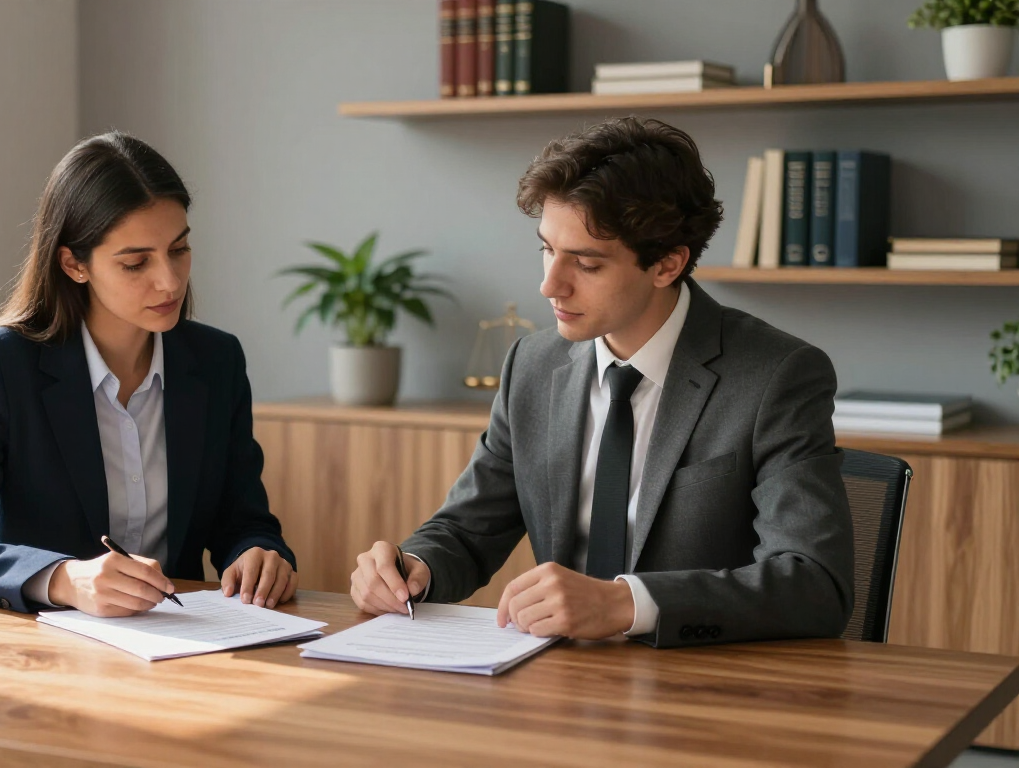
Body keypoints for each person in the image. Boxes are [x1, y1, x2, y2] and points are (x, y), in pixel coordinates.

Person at [349, 117, 854, 648]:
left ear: (667, 264)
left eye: (586, 264)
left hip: (706, 687)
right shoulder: (533, 364)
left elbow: (814, 582)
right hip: (564, 683)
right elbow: (468, 530)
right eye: (546, 249)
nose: (549, 284)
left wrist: (627, 603)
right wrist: (413, 566)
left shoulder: (777, 376)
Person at [0, 132, 298, 617]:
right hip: (42, 649)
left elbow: (243, 521)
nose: (170, 281)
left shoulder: (216, 362)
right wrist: (64, 579)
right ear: (73, 263)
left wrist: (259, 553)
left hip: (183, 646)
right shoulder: (1, 365)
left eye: (179, 249)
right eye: (136, 263)